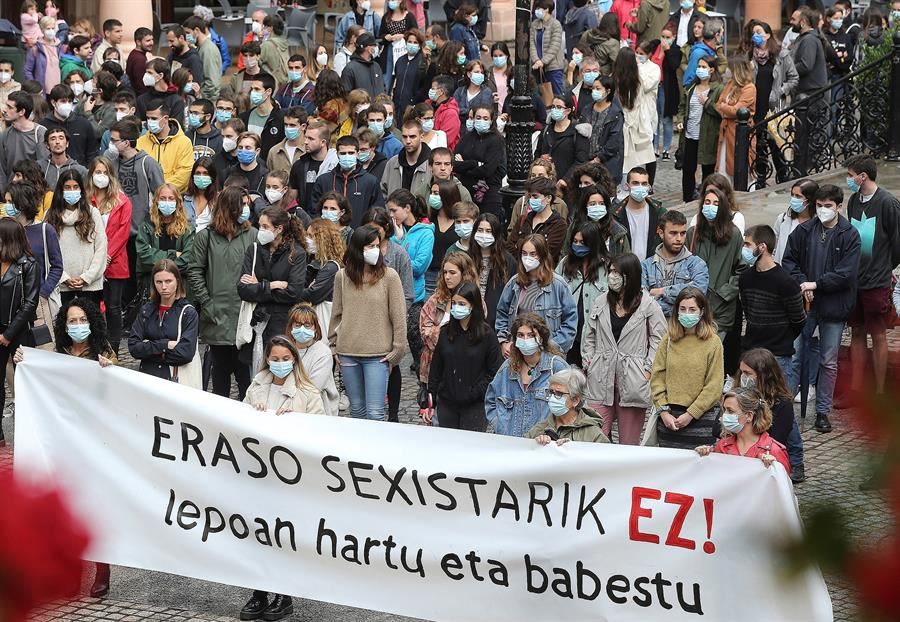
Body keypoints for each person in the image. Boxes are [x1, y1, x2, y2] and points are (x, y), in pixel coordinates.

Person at [781, 184, 860, 433]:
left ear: (838, 206)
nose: (823, 210)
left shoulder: (849, 235)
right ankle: (784, 410)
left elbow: (846, 274)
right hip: (806, 304)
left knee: (828, 360)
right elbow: (789, 261)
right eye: (819, 206)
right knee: (794, 356)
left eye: (828, 206)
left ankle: (822, 412)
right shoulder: (804, 231)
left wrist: (817, 283)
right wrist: (803, 283)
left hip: (834, 306)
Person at [582, 252, 666, 444]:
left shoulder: (649, 306)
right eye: (610, 271)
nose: (612, 276)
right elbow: (589, 335)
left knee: (628, 443)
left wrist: (647, 370)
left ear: (630, 275)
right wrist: (589, 362)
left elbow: (659, 341)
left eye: (617, 272)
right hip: (600, 378)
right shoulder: (601, 301)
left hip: (633, 381)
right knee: (593, 438)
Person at [329, 224, 407, 421]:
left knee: (375, 413)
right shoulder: (342, 277)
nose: (375, 250)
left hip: (378, 355)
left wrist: (397, 352)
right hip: (348, 353)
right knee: (357, 411)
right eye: (369, 246)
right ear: (357, 248)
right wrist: (333, 346)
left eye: (376, 245)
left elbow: (398, 317)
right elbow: (336, 313)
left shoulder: (390, 276)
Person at [187, 186, 258, 400]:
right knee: (219, 382)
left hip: (243, 316)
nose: (247, 209)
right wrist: (207, 303)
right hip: (216, 316)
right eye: (242, 204)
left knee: (247, 380)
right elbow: (195, 270)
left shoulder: (253, 235)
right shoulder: (206, 237)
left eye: (248, 204)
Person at [844, 154, 900, 400]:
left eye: (850, 175)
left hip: (876, 280)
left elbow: (897, 242)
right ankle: (856, 389)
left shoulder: (888, 203)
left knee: (877, 333)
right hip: (855, 279)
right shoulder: (854, 201)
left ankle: (878, 390)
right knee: (857, 331)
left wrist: (888, 268)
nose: (849, 180)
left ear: (862, 176)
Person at [649, 286, 723, 448]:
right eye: (683, 309)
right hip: (669, 419)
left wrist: (691, 414)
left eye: (692, 309)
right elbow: (657, 378)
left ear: (702, 311)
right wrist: (664, 411)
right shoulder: (668, 340)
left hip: (700, 420)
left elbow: (714, 385)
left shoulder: (713, 342)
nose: (687, 313)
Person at [425, 280, 501, 430]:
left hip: (475, 405)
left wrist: (475, 392)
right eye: (454, 303)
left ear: (473, 305)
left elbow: (494, 371)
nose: (456, 308)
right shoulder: (446, 333)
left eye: (462, 304)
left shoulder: (487, 335)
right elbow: (436, 368)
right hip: (447, 403)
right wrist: (430, 399)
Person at [739, 224, 806, 385]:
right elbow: (748, 312)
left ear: (762, 247)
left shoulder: (786, 282)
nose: (744, 249)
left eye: (748, 244)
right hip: (752, 354)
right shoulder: (745, 278)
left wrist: (780, 339)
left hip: (778, 356)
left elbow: (799, 320)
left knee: (779, 404)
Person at [485, 312, 569, 436]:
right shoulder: (507, 368)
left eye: (531, 335)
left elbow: (574, 403)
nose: (525, 340)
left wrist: (556, 433)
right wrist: (501, 427)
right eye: (521, 335)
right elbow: (491, 400)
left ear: (541, 337)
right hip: (510, 444)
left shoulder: (556, 367)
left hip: (543, 445)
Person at [495, 233, 577, 356]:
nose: (528, 258)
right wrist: (504, 342)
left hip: (547, 355)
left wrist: (551, 348)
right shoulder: (514, 283)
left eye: (533, 254)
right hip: (518, 351)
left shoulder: (558, 285)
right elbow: (502, 313)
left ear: (542, 255)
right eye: (524, 253)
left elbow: (570, 323)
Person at [238, 207, 308, 345]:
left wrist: (258, 286)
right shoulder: (254, 249)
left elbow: (294, 292)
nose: (261, 230)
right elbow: (243, 289)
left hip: (281, 323)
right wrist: (272, 285)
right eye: (259, 226)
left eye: (265, 226)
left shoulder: (297, 253)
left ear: (279, 229)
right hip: (255, 321)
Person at [735, 348, 805, 482]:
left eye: (747, 373)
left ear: (763, 375)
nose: (743, 377)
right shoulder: (736, 396)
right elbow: (717, 428)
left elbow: (777, 439)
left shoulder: (782, 404)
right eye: (741, 372)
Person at [85, 155, 131, 353]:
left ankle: (113, 349)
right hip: (91, 261)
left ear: (111, 175)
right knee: (93, 307)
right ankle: (95, 345)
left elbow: (123, 232)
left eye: (105, 172)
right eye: (98, 172)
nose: (101, 176)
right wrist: (97, 259)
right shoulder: (86, 199)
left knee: (113, 307)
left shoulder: (122, 201)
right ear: (91, 174)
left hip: (115, 261)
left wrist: (107, 255)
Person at [686, 187, 743, 345]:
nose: (710, 206)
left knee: (711, 356)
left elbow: (742, 269)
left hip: (721, 311)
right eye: (707, 202)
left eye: (716, 203)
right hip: (693, 307)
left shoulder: (734, 235)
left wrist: (725, 293)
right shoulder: (693, 233)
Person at [128, 258, 199, 381]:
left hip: (174, 380)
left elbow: (186, 353)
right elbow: (134, 348)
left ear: (177, 281)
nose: (164, 287)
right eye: (159, 282)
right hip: (147, 377)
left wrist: (148, 349)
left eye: (168, 281)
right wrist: (165, 345)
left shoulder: (188, 312)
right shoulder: (147, 310)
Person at [44, 170, 107, 306]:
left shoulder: (92, 213)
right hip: (60, 285)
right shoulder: (49, 216)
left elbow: (101, 249)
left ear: (81, 189)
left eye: (75, 187)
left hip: (90, 286)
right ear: (61, 190)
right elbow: (45, 252)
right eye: (67, 187)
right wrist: (64, 278)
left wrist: (86, 277)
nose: (71, 191)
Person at [0, 218, 39, 431]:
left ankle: (28, 431)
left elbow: (30, 303)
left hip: (19, 331)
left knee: (24, 382)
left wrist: (8, 334)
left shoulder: (29, 265)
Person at [695, 386, 790, 472]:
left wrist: (775, 466)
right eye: (724, 410)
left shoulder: (774, 450)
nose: (724, 416)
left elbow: (783, 486)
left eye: (730, 411)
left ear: (749, 415)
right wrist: (704, 456)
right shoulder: (722, 446)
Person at [418, 251, 479, 385]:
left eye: (452, 273)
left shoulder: (475, 300)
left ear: (464, 273)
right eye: (445, 272)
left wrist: (438, 331)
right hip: (436, 367)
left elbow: (477, 334)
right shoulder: (436, 300)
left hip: (466, 368)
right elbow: (425, 333)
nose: (447, 277)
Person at [554, 220, 609, 366]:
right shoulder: (565, 263)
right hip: (567, 336)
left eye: (582, 243)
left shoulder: (607, 267)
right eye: (575, 241)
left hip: (595, 339)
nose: (577, 246)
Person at [642, 210, 708, 318]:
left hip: (685, 328)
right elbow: (641, 301)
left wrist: (662, 291)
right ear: (661, 232)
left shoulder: (696, 264)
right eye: (673, 233)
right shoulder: (646, 266)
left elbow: (699, 293)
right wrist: (679, 303)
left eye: (683, 233)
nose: (679, 239)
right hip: (655, 327)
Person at [135, 183, 195, 298]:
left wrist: (159, 263)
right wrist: (174, 255)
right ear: (156, 201)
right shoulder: (146, 227)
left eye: (171, 199)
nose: (167, 202)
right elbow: (144, 257)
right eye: (163, 198)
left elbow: (188, 260)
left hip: (180, 290)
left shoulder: (188, 229)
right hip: (152, 289)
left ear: (178, 202)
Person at [677, 55, 722, 203]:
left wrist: (708, 103)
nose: (700, 70)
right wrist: (680, 119)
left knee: (707, 169)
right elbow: (683, 106)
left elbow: (721, 112)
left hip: (707, 136)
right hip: (690, 135)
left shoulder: (717, 89)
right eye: (699, 67)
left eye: (704, 67)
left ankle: (707, 199)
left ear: (711, 70)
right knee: (688, 169)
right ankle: (687, 198)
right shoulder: (691, 87)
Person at [311, 135, 383, 227]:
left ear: (357, 153)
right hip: (328, 235)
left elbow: (377, 213)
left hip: (358, 237)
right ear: (337, 154)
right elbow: (314, 211)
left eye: (351, 153)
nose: (347, 156)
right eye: (343, 153)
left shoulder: (370, 181)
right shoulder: (323, 180)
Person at [526, 366, 610, 444]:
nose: (552, 398)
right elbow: (524, 454)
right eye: (551, 392)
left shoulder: (593, 434)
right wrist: (538, 445)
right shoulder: (540, 429)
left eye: (559, 393)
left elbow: (606, 458)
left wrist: (573, 450)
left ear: (575, 400)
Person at [614, 47, 659, 187]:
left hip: (621, 125)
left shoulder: (614, 80)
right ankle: (644, 185)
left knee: (623, 161)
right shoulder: (637, 80)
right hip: (637, 124)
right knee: (641, 158)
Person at [286, 302, 339, 416]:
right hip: (285, 401)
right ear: (291, 327)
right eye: (297, 325)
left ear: (315, 327)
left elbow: (314, 388)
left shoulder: (323, 352)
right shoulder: (284, 348)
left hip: (316, 407)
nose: (302, 329)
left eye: (307, 325)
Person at [453, 105, 505, 217]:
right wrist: (474, 163)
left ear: (491, 120)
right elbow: (454, 163)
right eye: (478, 117)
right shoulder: (467, 137)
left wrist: (464, 167)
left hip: (489, 193)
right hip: (466, 190)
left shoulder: (496, 140)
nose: (481, 121)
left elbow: (487, 170)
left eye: (485, 118)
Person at [469, 212, 516, 329]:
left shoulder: (507, 261)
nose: (483, 235)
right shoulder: (466, 258)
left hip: (495, 321)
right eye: (480, 230)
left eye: (488, 231)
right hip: (469, 317)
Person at [136, 98, 193, 193]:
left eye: (154, 118)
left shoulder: (184, 142)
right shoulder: (140, 142)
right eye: (148, 118)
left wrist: (161, 190)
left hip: (172, 197)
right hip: (146, 197)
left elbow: (184, 172)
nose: (149, 122)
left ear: (166, 118)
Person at [298, 218, 345, 332]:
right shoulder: (311, 260)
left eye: (311, 236)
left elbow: (312, 294)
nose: (307, 240)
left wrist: (289, 288)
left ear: (323, 240)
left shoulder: (331, 267)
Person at [507, 176, 567, 264]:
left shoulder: (559, 224)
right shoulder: (523, 219)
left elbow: (547, 253)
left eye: (535, 196)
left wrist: (519, 245)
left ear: (549, 198)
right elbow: (509, 247)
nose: (531, 200)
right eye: (530, 196)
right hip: (520, 271)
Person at [611, 166, 665, 261]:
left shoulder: (660, 213)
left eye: (644, 184)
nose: (640, 187)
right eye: (635, 183)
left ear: (649, 187)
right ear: (627, 186)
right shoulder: (615, 215)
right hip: (626, 268)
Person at [535, 94, 590, 186]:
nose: (554, 109)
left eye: (559, 107)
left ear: (568, 110)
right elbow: (537, 153)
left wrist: (565, 180)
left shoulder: (578, 132)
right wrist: (541, 160)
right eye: (553, 106)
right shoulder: (546, 130)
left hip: (567, 186)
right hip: (545, 184)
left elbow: (581, 161)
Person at [714, 59, 756, 179]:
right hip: (726, 131)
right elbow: (718, 104)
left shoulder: (749, 88)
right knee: (723, 165)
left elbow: (737, 111)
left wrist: (724, 107)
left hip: (739, 131)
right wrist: (726, 108)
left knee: (739, 164)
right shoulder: (730, 83)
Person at [40, 84, 97, 168]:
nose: (67, 104)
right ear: (53, 102)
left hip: (79, 172)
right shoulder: (43, 126)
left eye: (70, 101)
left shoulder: (84, 124)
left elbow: (91, 152)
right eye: (63, 101)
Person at [0, 92, 49, 188]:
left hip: (32, 192)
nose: (4, 110)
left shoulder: (40, 133)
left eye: (10, 107)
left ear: (22, 112)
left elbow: (44, 167)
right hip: (11, 193)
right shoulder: (5, 135)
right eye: (6, 106)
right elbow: (2, 168)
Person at [422, 177, 461, 295]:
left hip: (453, 278)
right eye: (432, 193)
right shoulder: (428, 221)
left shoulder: (460, 223)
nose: (432, 197)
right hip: (429, 276)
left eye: (436, 193)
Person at [585, 76, 623, 184]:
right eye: (593, 88)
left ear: (608, 91)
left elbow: (614, 140)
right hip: (587, 161)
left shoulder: (615, 113)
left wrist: (599, 158)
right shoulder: (587, 109)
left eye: (598, 88)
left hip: (607, 163)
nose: (594, 91)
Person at [239, 73, 285, 161]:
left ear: (268, 92)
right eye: (252, 89)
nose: (252, 93)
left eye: (257, 89)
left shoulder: (280, 119)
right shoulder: (244, 118)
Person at [382, 119, 432, 197]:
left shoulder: (432, 164)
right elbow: (383, 192)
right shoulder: (392, 163)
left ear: (421, 137)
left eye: (412, 137)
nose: (408, 141)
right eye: (404, 137)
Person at [774, 179, 817, 264]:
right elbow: (774, 247)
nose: (793, 199)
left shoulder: (819, 223)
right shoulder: (782, 219)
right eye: (792, 195)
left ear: (809, 200)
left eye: (798, 196)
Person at [181, 16, 221, 100]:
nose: (186, 36)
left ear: (196, 30)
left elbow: (211, 82)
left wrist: (201, 97)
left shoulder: (208, 49)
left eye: (188, 32)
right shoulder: (200, 47)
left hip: (208, 100)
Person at [25, 16, 64, 96]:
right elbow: (27, 71)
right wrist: (35, 88)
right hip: (42, 91)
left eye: (53, 28)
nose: (51, 31)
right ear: (42, 30)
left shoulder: (59, 46)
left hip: (58, 90)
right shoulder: (35, 48)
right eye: (48, 28)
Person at [227, 132, 268, 198]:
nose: (243, 150)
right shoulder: (229, 172)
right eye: (240, 147)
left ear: (257, 151)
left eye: (248, 148)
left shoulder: (265, 176)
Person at [430, 74, 461, 150]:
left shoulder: (451, 114)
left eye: (433, 88)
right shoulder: (429, 105)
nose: (430, 91)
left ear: (441, 92)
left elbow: (446, 140)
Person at [259, 15, 289, 87]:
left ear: (270, 28)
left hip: (273, 81)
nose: (263, 29)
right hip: (285, 78)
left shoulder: (267, 45)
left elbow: (257, 60)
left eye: (264, 26)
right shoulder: (284, 41)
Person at [126, 27, 153, 96]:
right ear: (138, 42)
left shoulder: (135, 54)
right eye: (148, 40)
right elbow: (141, 85)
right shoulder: (139, 59)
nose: (151, 43)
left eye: (152, 40)